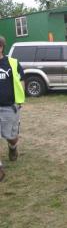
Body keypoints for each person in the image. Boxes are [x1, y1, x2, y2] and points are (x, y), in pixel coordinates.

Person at [0, 36, 25, 182]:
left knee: (11, 136)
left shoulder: (12, 63)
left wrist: (19, 101)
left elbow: (21, 79)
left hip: (9, 107)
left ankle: (12, 147)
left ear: (1, 47)